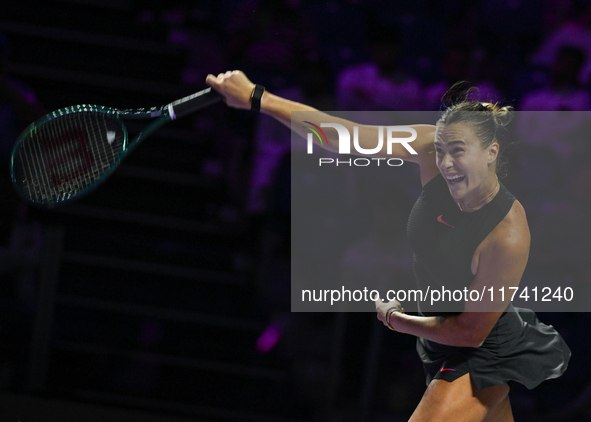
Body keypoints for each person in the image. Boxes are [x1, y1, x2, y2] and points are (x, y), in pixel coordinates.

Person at [205, 71, 570, 422]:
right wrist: (258, 97)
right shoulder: (434, 146)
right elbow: (342, 137)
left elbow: (470, 332)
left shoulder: (506, 233)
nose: (444, 164)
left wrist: (399, 320)